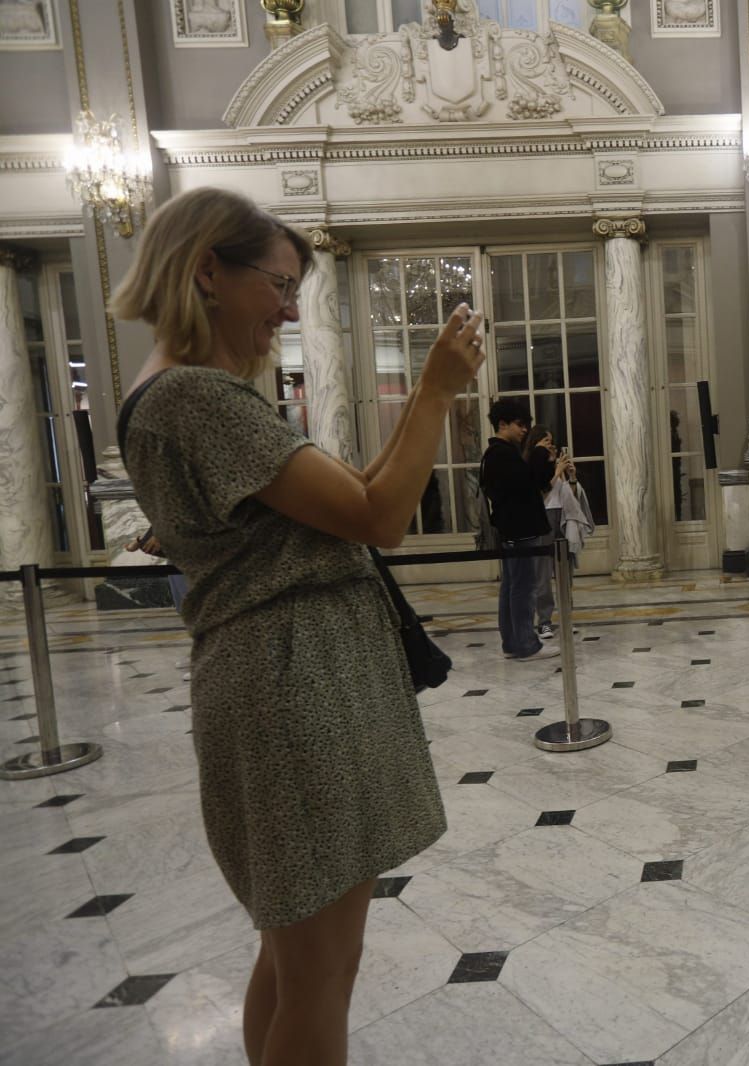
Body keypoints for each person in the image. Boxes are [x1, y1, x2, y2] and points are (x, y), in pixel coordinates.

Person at [110, 186, 484, 1066]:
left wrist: (426, 400)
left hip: (281, 674)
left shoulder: (176, 393)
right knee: (322, 970)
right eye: (276, 285)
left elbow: (351, 498)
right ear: (206, 270)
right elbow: (380, 517)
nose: (286, 308)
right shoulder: (196, 397)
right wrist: (433, 392)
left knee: (291, 956)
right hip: (292, 687)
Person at [480, 399, 555, 658]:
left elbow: (531, 483)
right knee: (522, 588)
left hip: (513, 529)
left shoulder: (500, 454)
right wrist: (537, 454)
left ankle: (512, 643)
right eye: (520, 424)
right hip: (519, 529)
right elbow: (525, 486)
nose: (524, 430)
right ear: (503, 424)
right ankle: (524, 644)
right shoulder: (501, 454)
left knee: (513, 587)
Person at [521, 424, 576, 640]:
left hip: (562, 516)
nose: (549, 446)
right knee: (542, 573)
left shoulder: (553, 464)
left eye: (551, 441)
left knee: (565, 571)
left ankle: (566, 618)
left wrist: (570, 476)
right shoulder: (532, 465)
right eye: (545, 441)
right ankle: (544, 621)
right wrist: (556, 471)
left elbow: (570, 495)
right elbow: (540, 491)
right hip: (543, 517)